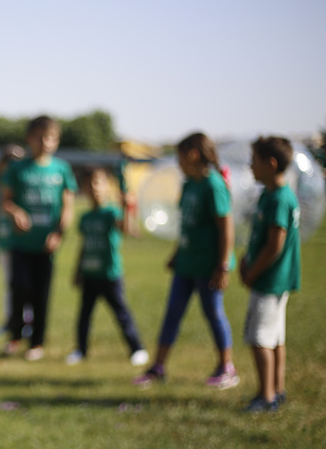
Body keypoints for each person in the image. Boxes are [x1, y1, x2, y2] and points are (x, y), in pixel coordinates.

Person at [134, 132, 238, 388]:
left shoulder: (213, 185)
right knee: (172, 314)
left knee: (213, 313)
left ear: (192, 154)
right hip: (187, 263)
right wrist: (177, 254)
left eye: (179, 156)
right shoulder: (189, 184)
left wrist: (222, 266)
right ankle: (158, 367)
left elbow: (226, 227)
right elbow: (188, 226)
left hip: (209, 265)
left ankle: (227, 368)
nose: (177, 163)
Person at [0, 115, 78, 361]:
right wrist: (16, 212)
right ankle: (15, 336)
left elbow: (68, 206)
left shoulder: (61, 169)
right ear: (29, 139)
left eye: (51, 137)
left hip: (46, 245)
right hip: (21, 244)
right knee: (19, 290)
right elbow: (5, 201)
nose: (45, 142)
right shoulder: (18, 168)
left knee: (41, 294)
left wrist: (58, 234)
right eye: (40, 137)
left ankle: (37, 343)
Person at [240, 137, 301, 412]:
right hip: (275, 280)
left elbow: (275, 243)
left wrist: (253, 271)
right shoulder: (270, 194)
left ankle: (265, 397)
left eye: (254, 160)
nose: (250, 165)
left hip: (270, 281)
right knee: (275, 338)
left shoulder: (279, 199)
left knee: (259, 338)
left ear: (271, 164)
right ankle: (277, 389)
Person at [67, 167, 148, 366]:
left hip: (110, 274)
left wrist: (127, 207)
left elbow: (127, 229)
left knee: (121, 313)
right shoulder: (86, 218)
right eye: (89, 183)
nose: (94, 188)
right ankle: (81, 350)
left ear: (107, 186)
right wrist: (77, 270)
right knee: (84, 315)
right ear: (84, 188)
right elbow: (84, 246)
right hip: (90, 274)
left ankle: (137, 349)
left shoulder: (111, 212)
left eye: (98, 182)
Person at [0, 144, 25, 335]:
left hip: (19, 244)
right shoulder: (0, 190)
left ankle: (24, 323)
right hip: (4, 244)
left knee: (22, 286)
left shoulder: (23, 187)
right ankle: (11, 321)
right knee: (9, 286)